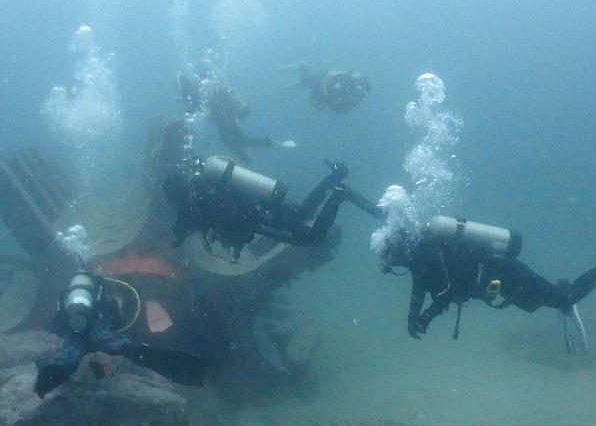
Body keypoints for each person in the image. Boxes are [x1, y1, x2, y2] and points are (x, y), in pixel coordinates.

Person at [376, 215, 596, 353]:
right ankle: (561, 291)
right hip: (497, 283)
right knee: (551, 299)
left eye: (391, 259)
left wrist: (426, 316)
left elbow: (447, 291)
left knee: (564, 300)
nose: (393, 265)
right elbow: (420, 288)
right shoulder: (420, 260)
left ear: (399, 250)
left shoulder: (428, 253)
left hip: (505, 273)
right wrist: (413, 317)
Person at [161, 155, 381, 262]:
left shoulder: (192, 202)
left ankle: (339, 195)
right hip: (264, 205)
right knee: (304, 212)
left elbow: (180, 231)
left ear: (175, 193)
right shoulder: (200, 190)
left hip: (259, 220)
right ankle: (337, 176)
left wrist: (172, 242)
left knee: (311, 238)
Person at [35, 270, 207, 398]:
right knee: (123, 348)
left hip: (75, 327)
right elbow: (115, 314)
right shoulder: (101, 287)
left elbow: (58, 320)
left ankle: (50, 376)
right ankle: (172, 364)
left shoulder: (68, 294)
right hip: (100, 327)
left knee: (72, 350)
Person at [176, 70, 273, 164]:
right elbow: (200, 107)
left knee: (231, 139)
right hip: (222, 114)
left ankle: (260, 146)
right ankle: (258, 147)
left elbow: (202, 106)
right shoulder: (196, 89)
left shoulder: (196, 89)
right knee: (231, 139)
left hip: (222, 114)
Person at [290, 62, 371, 113]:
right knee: (306, 81)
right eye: (360, 95)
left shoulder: (352, 100)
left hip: (325, 87)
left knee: (308, 85)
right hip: (323, 80)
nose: (359, 99)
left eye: (362, 97)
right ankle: (302, 65)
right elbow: (331, 92)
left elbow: (339, 108)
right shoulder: (346, 84)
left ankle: (300, 82)